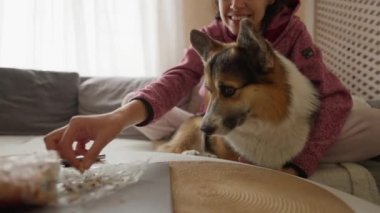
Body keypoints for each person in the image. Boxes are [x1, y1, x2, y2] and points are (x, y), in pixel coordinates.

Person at [44, 0, 380, 178]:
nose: (234, 4)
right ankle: (191, 131)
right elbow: (176, 78)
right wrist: (117, 119)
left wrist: (300, 164)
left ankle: (194, 131)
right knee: (139, 107)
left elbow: (334, 97)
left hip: (280, 128)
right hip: (213, 114)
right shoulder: (213, 34)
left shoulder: (292, 33)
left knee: (370, 123)